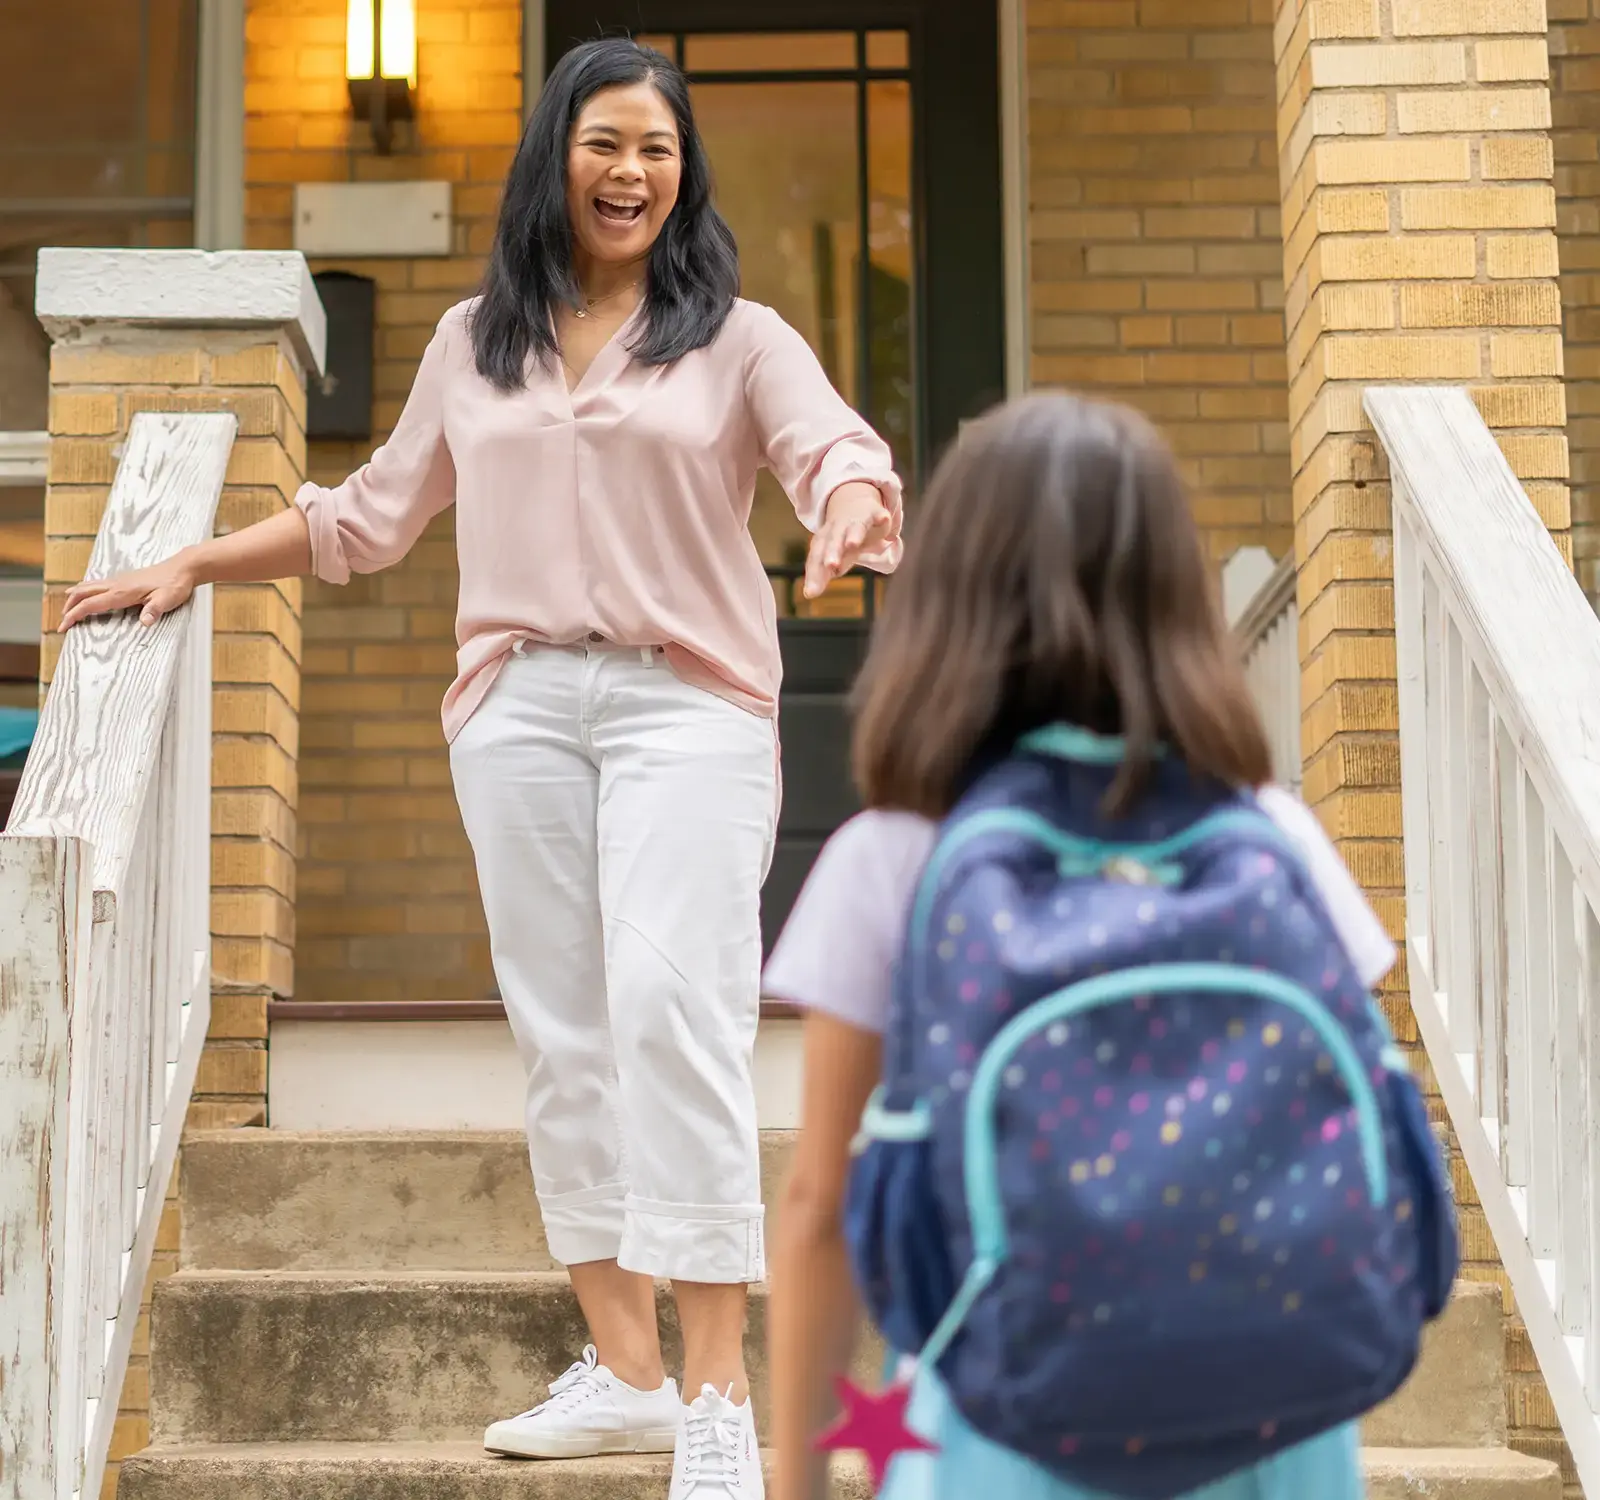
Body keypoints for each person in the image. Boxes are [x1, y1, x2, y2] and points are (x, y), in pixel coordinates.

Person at [60, 36, 902, 1500]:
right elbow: (367, 520)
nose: (632, 171)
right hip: (515, 711)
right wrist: (194, 557)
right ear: (553, 162)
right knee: (564, 1027)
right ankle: (626, 1370)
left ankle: (717, 1394)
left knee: (672, 1003)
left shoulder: (740, 337)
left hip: (687, 709)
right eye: (603, 144)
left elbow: (833, 451)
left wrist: (845, 510)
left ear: (682, 169)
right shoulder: (476, 342)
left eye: (656, 146)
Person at [763, 393, 1405, 1500]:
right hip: (1271, 1430)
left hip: (1004, 1431)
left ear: (946, 603)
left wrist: (800, 1483)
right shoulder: (1271, 837)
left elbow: (822, 1205)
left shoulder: (895, 856)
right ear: (1173, 600)